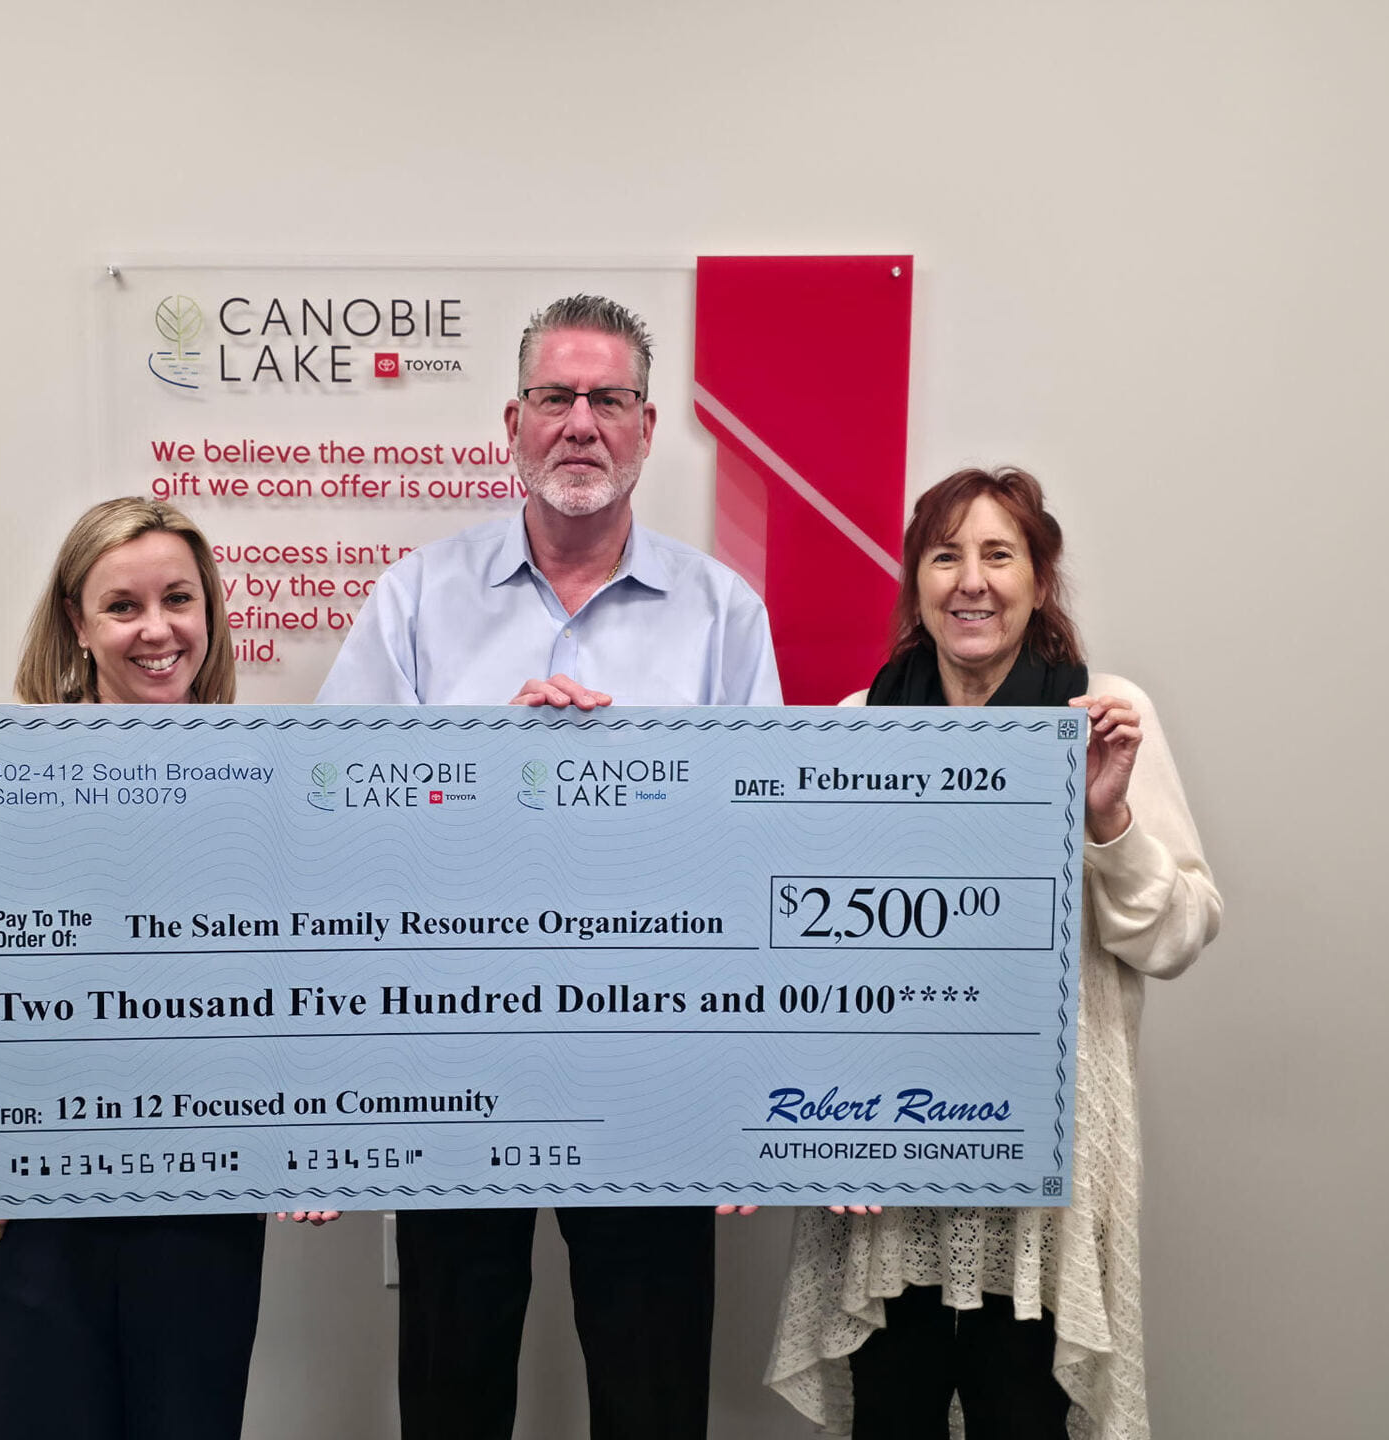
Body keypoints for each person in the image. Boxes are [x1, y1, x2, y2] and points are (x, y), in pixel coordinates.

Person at [317, 295, 781, 1440]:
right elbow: (336, 818)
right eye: (556, 398)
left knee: (652, 1391)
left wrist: (628, 784)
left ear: (648, 426)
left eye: (608, 399)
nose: (581, 423)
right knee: (451, 1386)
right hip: (454, 1050)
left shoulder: (722, 615)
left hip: (653, 1057)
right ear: (512, 424)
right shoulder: (415, 600)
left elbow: (756, 853)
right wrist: (487, 771)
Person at [764, 467, 1222, 1440]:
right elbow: (813, 958)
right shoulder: (857, 725)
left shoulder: (1099, 716)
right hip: (890, 1184)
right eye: (945, 556)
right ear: (916, 584)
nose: (971, 580)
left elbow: (1177, 935)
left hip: (1039, 1196)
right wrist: (815, 1126)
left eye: (998, 555)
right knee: (892, 1416)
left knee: (1023, 1417)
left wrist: (1108, 821)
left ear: (1039, 581)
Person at [0, 497, 273, 1440]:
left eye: (178, 598)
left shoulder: (269, 774)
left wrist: (317, 1129)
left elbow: (331, 961)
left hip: (203, 1195)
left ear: (210, 610)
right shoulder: (9, 767)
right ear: (77, 622)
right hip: (38, 1189)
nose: (157, 630)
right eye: (122, 606)